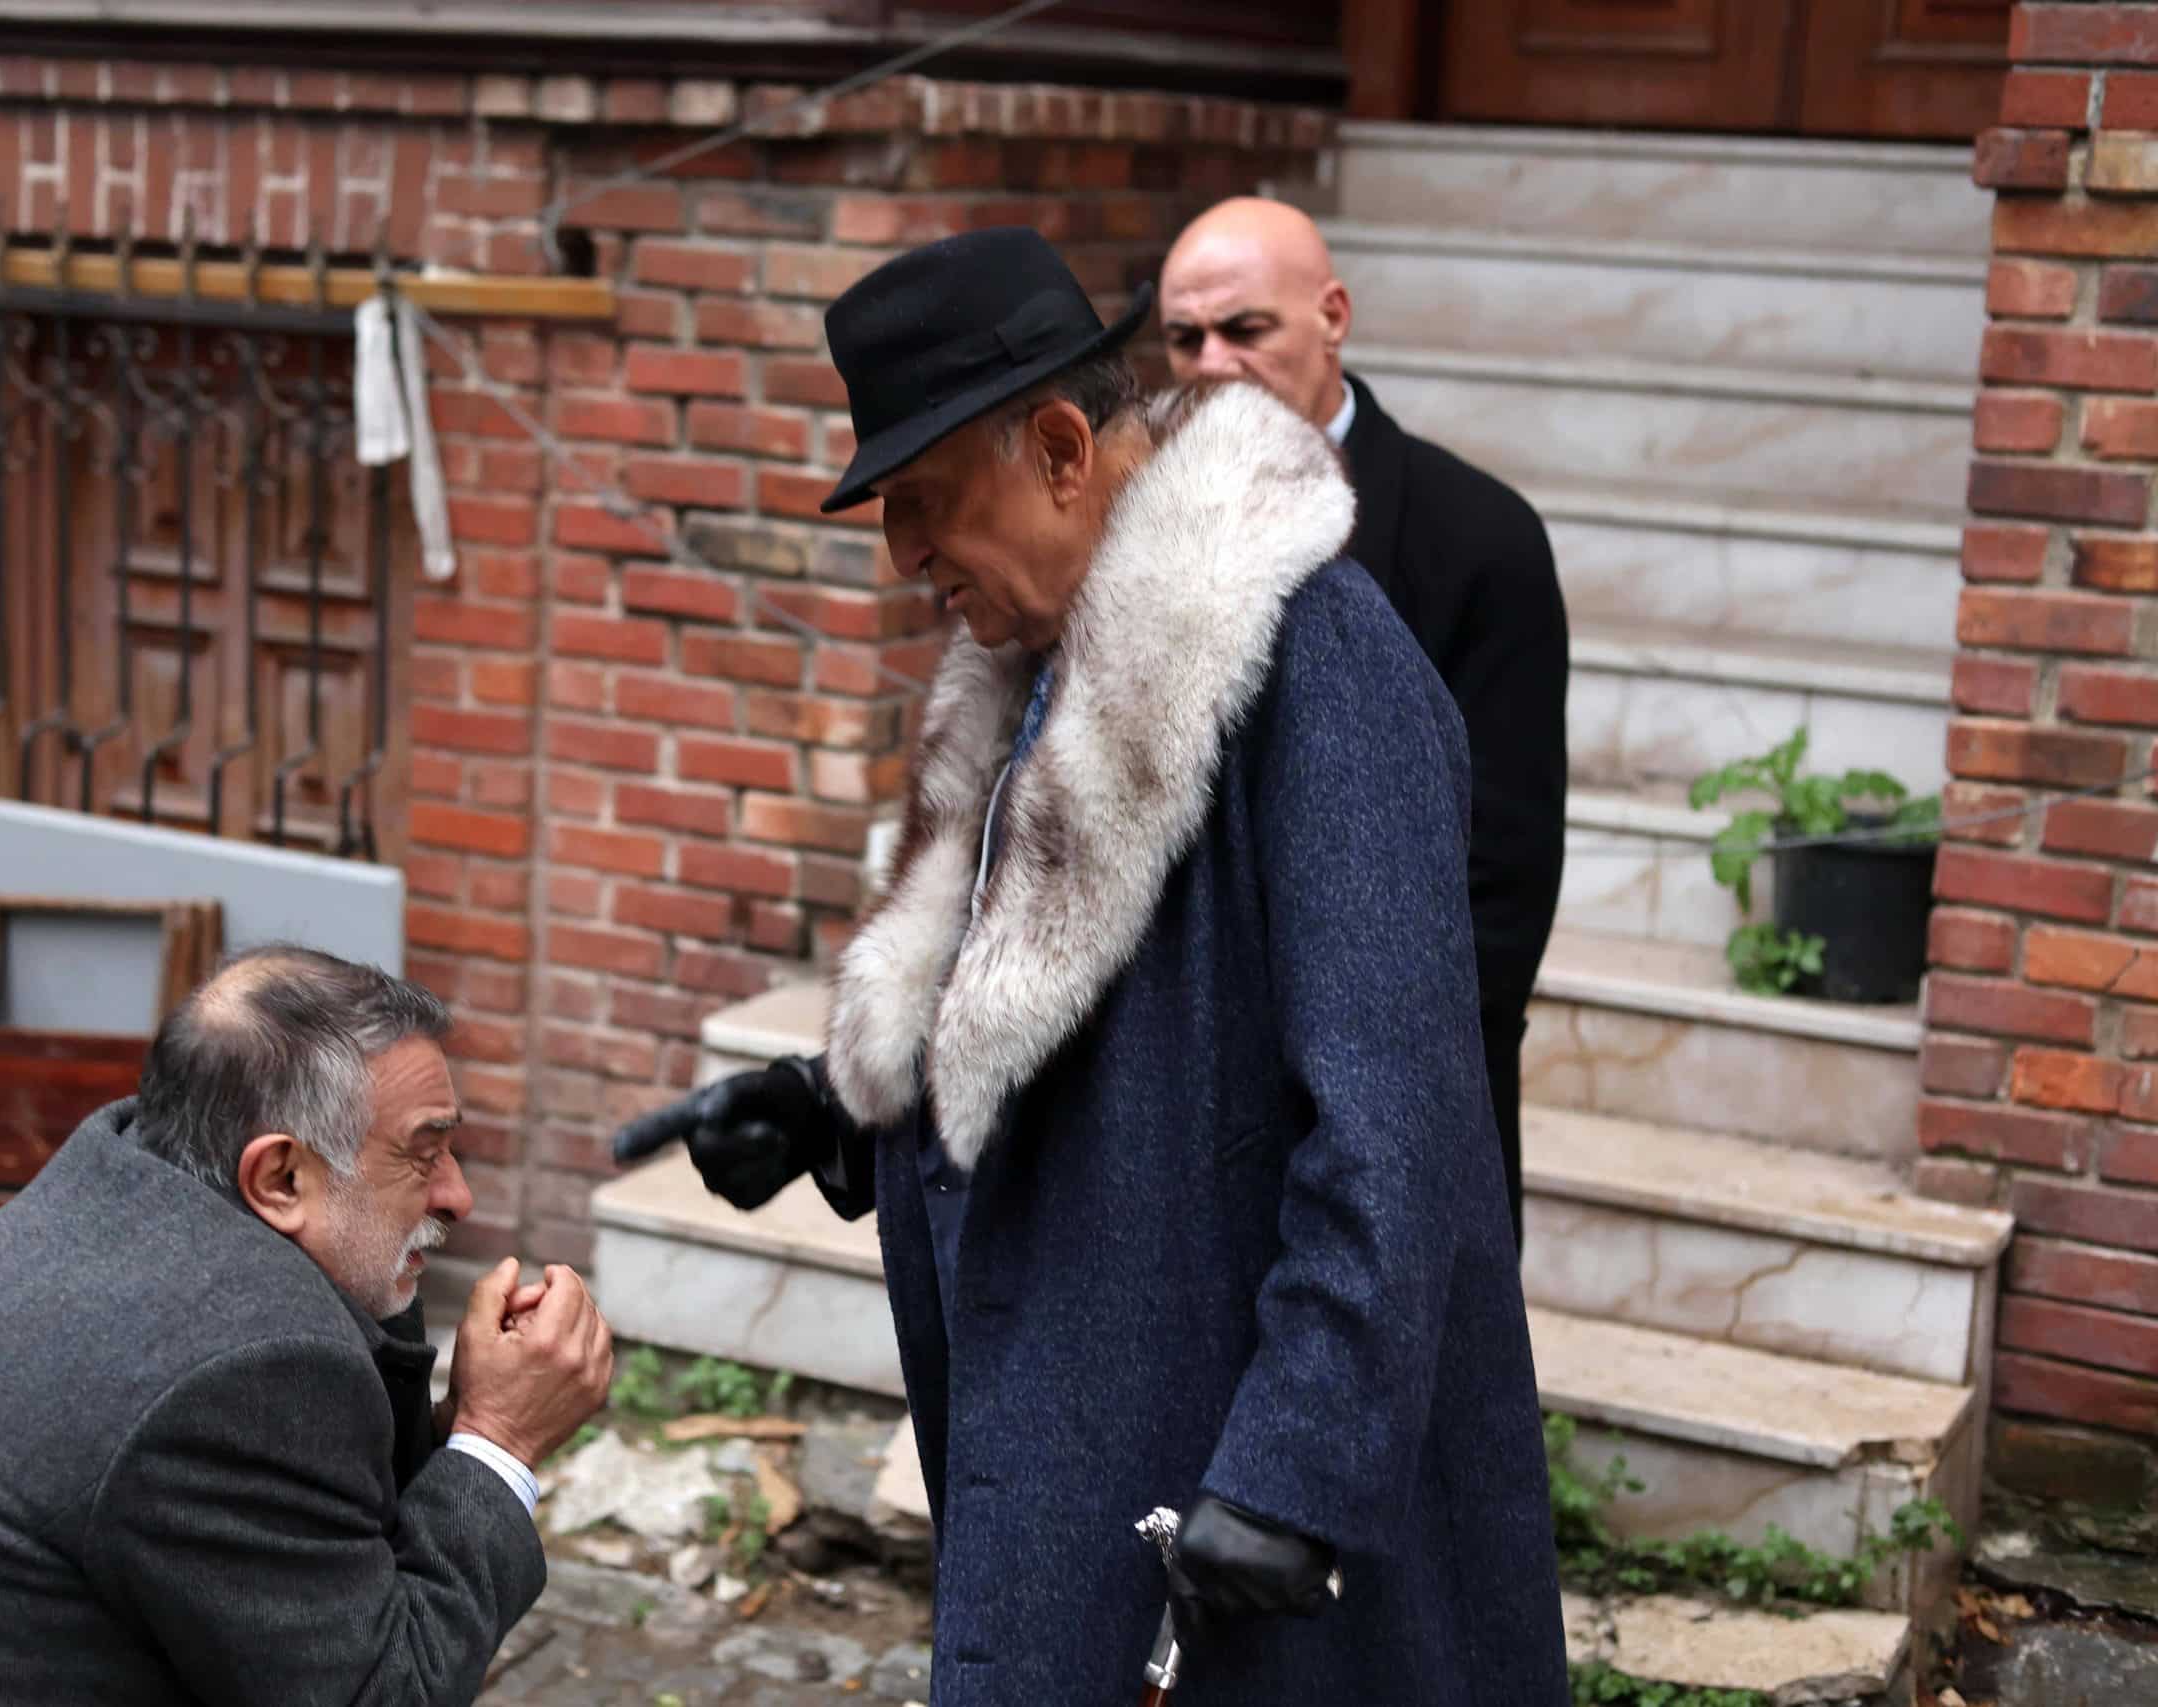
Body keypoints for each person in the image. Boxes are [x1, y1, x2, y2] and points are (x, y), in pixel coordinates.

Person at [615, 227, 1565, 1705]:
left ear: (1062, 448)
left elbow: (1400, 1113)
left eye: (924, 504)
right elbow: (1066, 1037)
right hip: (1096, 1445)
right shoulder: (1032, 679)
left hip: (1230, 1481)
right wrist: (835, 1109)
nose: (905, 556)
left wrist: (1298, 1460)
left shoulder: (1319, 659)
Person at [0, 947, 610, 1707]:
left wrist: (450, 1423)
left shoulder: (126, 1179)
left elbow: (333, 1520)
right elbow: (384, 1688)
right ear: (278, 1177)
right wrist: (499, 1441)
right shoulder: (243, 1370)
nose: (458, 1194)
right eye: (424, 1153)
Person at [1159, 196, 1569, 1246]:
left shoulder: (1479, 538)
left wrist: (1377, 1119)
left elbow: (1499, 888)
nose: (1209, 362)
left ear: (1331, 315)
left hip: (1396, 1112)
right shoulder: (1138, 530)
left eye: (1245, 330)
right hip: (1184, 1124)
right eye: (1182, 337)